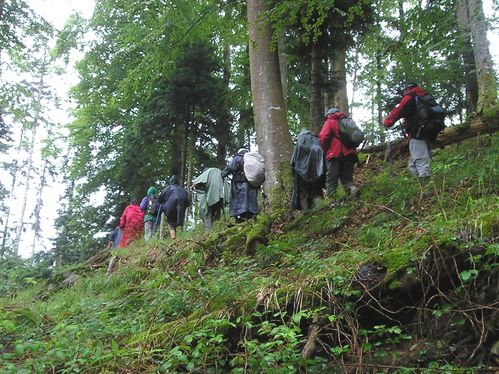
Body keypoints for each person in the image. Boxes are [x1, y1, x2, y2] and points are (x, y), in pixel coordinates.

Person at [383, 82, 432, 185]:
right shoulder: (425, 96)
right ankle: (418, 186)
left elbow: (397, 111)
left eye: (404, 91)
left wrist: (387, 122)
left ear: (408, 89)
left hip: (418, 132)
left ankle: (427, 187)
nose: (403, 93)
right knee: (412, 163)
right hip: (429, 131)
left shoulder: (410, 97)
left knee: (420, 160)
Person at [319, 108, 359, 198]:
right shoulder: (347, 121)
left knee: (331, 179)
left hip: (335, 154)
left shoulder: (330, 121)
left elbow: (323, 136)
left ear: (329, 114)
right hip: (351, 154)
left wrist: (324, 149)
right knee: (347, 178)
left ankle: (332, 200)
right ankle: (352, 189)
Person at [221, 147, 260, 223]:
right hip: (252, 184)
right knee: (251, 204)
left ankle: (240, 221)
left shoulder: (238, 158)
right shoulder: (253, 160)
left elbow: (230, 168)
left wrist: (222, 175)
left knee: (240, 204)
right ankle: (252, 218)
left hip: (240, 184)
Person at [291, 129, 325, 210]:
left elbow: (294, 161)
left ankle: (306, 211)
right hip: (316, 171)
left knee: (303, 193)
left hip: (301, 172)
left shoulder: (300, 140)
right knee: (316, 190)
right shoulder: (316, 140)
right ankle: (321, 208)